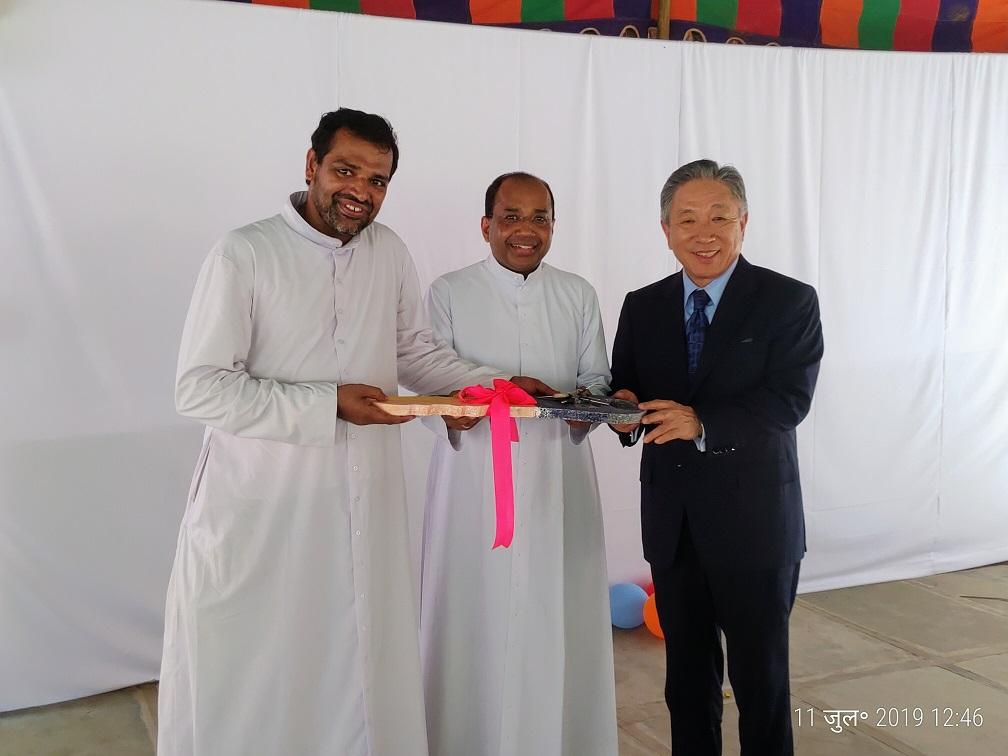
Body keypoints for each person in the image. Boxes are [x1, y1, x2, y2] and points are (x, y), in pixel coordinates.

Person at [159, 109, 550, 756]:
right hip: (262, 507)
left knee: (353, 658)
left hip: (363, 499)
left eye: (378, 179)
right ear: (312, 166)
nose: (361, 190)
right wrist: (328, 404)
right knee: (261, 664)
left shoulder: (388, 250)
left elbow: (413, 350)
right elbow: (199, 387)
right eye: (346, 170)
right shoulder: (245, 252)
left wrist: (493, 384)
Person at [609, 159, 823, 755]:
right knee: (687, 682)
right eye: (688, 219)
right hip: (674, 526)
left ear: (743, 223)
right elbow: (625, 387)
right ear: (666, 229)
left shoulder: (788, 301)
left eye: (719, 217)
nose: (704, 232)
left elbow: (789, 400)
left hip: (756, 526)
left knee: (760, 684)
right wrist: (618, 409)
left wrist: (703, 423)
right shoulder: (642, 305)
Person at [419, 172, 618, 756]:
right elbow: (431, 381)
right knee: (473, 614)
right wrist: (456, 412)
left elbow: (594, 380)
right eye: (511, 217)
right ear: (487, 226)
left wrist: (593, 408)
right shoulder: (449, 292)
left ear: (553, 226)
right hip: (473, 483)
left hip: (560, 478)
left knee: (557, 610)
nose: (525, 230)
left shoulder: (577, 293)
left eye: (540, 218)